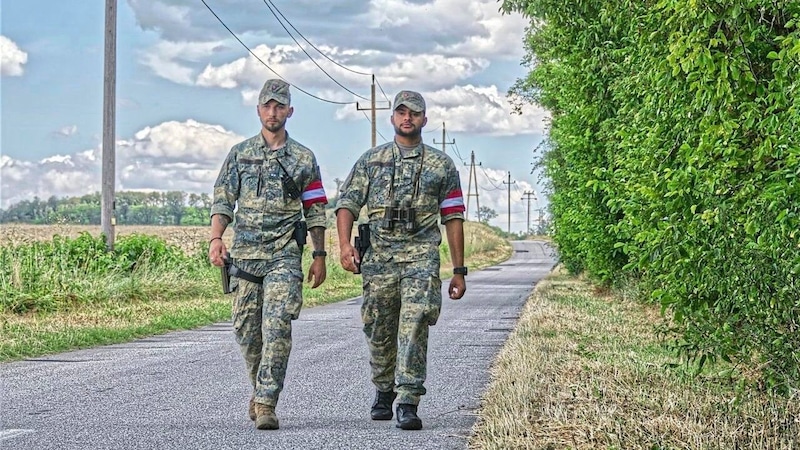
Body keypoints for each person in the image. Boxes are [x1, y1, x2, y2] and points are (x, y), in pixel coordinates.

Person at [334, 90, 467, 431]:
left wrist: (459, 270)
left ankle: (408, 399)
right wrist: (344, 245)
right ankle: (383, 387)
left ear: (424, 119)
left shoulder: (441, 166)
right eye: (401, 112)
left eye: (415, 113)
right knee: (379, 327)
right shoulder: (371, 161)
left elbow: (453, 217)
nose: (408, 118)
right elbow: (347, 203)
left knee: (415, 324)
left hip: (421, 258)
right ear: (392, 118)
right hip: (379, 259)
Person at [208, 78, 329, 430]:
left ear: (290, 111)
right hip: (245, 258)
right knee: (247, 331)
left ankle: (265, 403)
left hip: (284, 256)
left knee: (276, 327)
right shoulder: (240, 154)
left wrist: (319, 255)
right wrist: (216, 238)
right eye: (267, 105)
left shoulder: (304, 158)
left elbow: (316, 210)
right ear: (258, 109)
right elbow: (223, 198)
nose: (273, 112)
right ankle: (261, 388)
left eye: (279, 106)